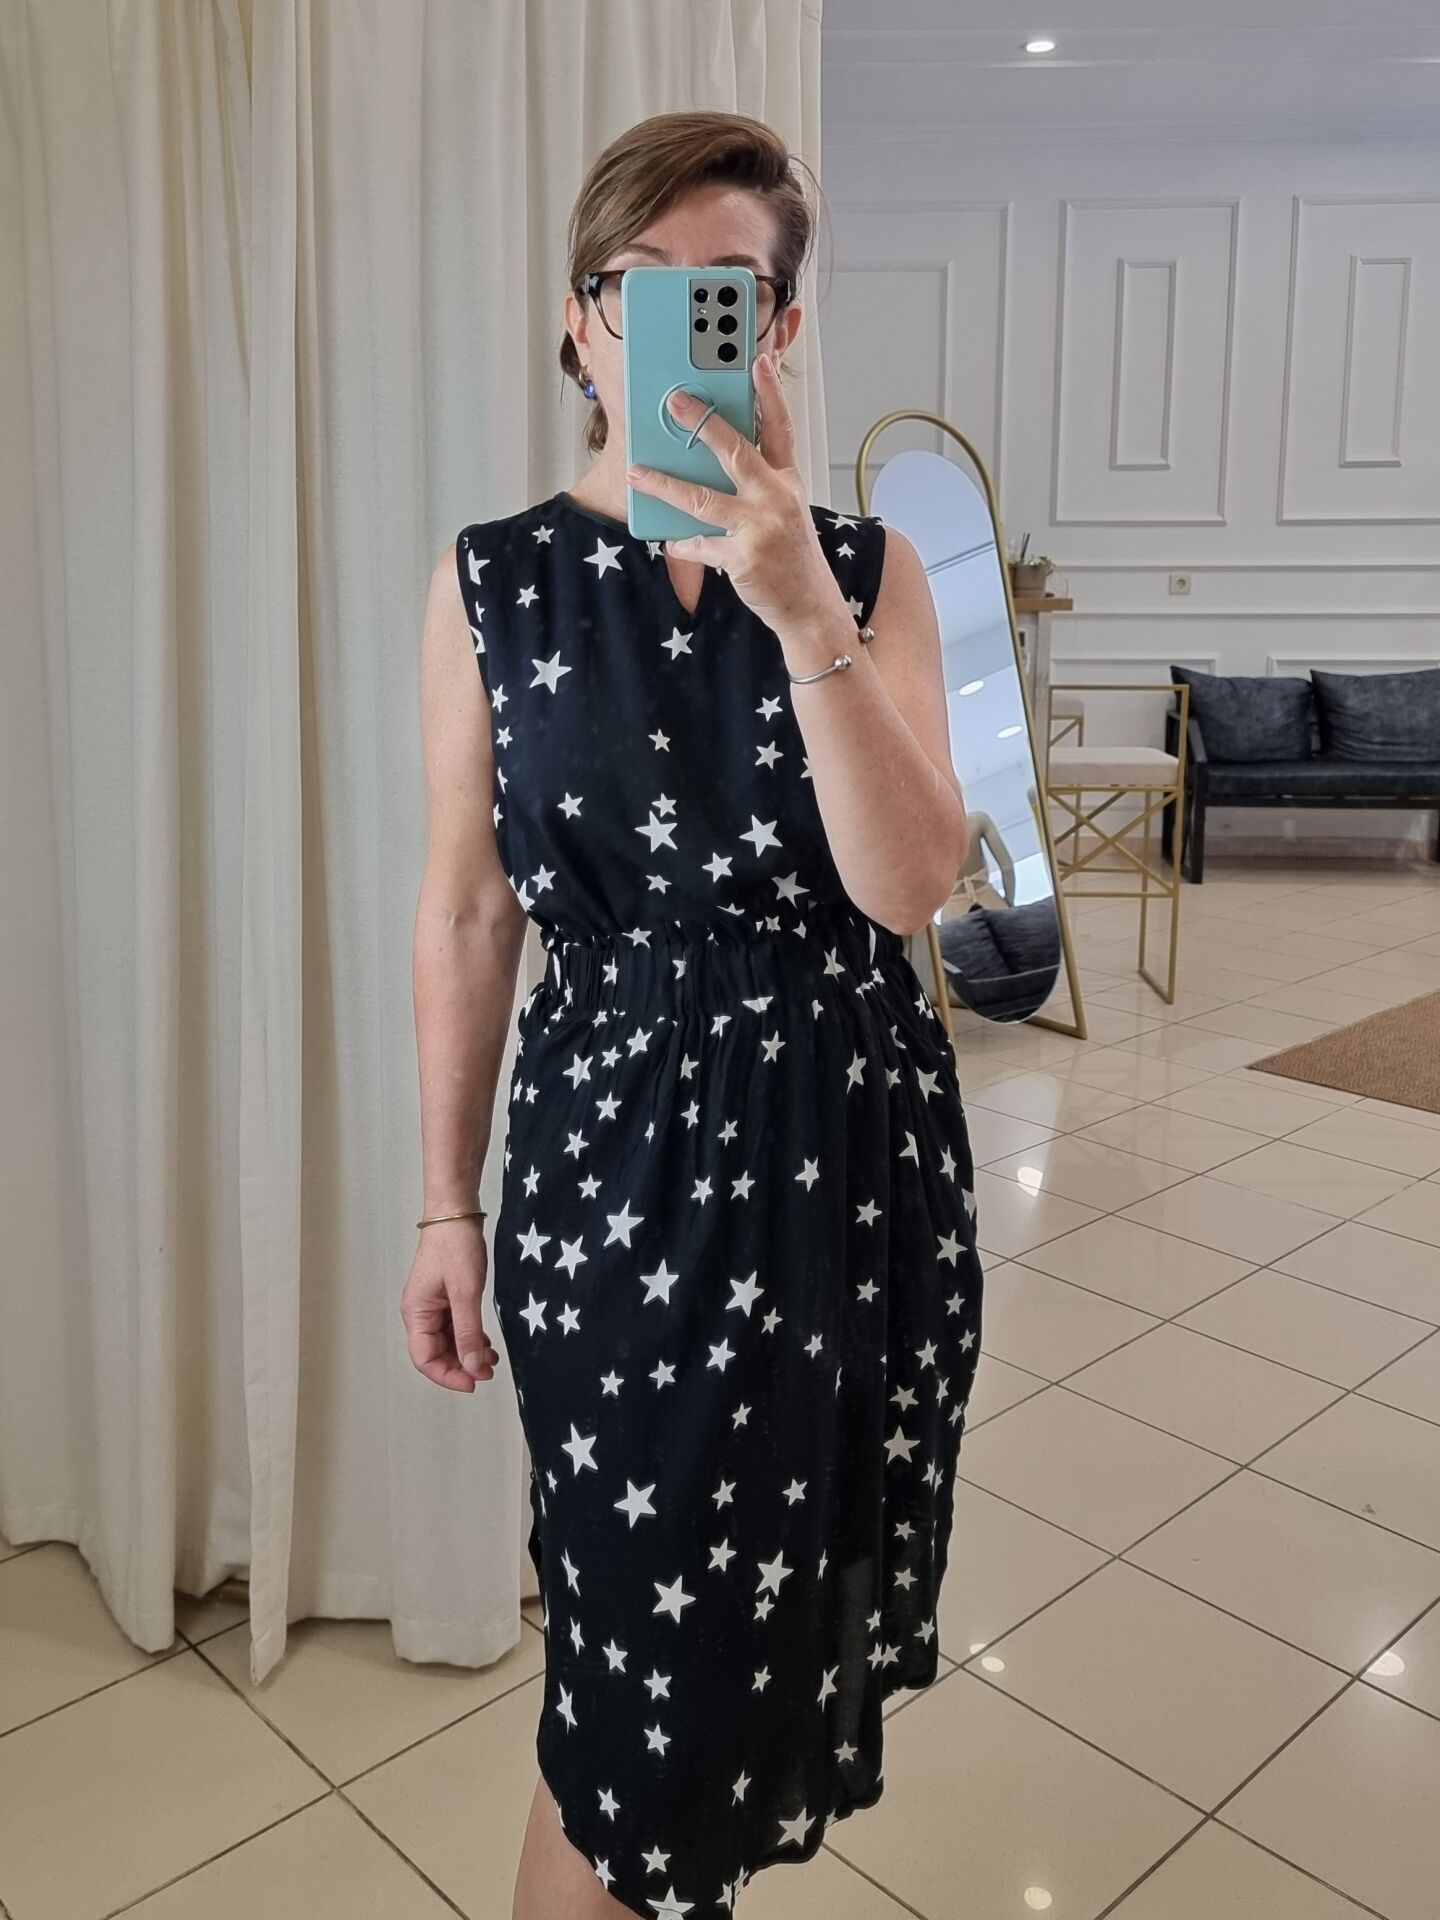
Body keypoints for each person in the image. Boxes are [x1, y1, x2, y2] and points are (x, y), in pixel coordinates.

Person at [404, 109, 984, 1920]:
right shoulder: (492, 581)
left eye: (719, 293)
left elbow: (911, 886)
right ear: (578, 321)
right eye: (633, 285)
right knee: (631, 1691)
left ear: (778, 329)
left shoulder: (869, 573)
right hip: (613, 1172)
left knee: (751, 1656)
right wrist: (442, 1206)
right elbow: (468, 907)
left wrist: (797, 604)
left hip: (843, 1171)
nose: (667, 322)